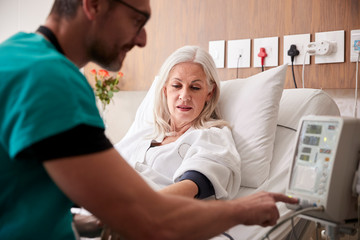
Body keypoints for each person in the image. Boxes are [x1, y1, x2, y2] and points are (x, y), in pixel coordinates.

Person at [0, 0, 298, 240]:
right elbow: (152, 221)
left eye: (196, 87)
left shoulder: (13, 55)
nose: (143, 39)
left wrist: (92, 222)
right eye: (137, 20)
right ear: (94, 5)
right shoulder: (53, 82)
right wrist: (242, 210)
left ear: (210, 94)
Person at [115, 45, 241, 200]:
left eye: (195, 87)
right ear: (165, 90)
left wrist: (141, 207)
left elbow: (193, 184)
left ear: (210, 93)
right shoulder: (145, 134)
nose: (184, 95)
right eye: (177, 85)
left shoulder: (212, 136)